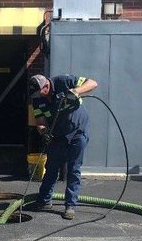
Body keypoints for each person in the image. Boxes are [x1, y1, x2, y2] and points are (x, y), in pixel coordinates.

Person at [28, 73, 98, 220]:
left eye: (39, 92)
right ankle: (44, 200)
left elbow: (92, 83)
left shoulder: (64, 81)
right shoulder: (37, 99)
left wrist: (76, 91)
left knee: (74, 169)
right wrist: (43, 131)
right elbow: (40, 121)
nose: (37, 96)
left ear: (46, 86)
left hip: (77, 132)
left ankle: (70, 206)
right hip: (57, 135)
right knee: (51, 167)